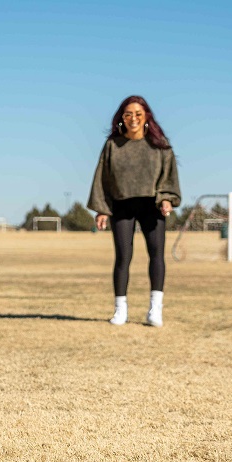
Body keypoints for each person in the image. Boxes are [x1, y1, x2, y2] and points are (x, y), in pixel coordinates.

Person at [87, 95, 181, 327]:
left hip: (152, 205)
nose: (133, 119)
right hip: (122, 206)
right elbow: (103, 179)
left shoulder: (160, 144)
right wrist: (102, 209)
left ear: (147, 116)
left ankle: (155, 310)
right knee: (123, 257)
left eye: (138, 114)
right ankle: (121, 310)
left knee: (156, 255)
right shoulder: (113, 145)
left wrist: (167, 199)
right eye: (128, 114)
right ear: (122, 118)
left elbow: (169, 177)